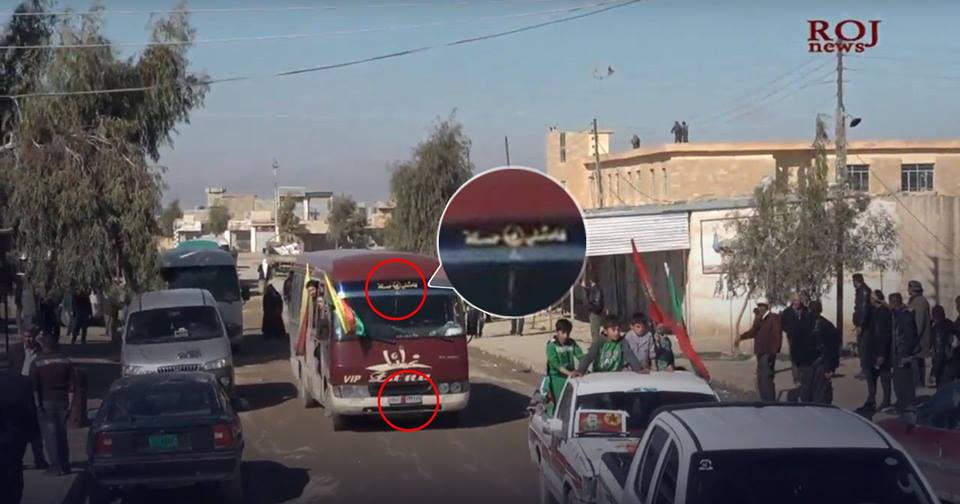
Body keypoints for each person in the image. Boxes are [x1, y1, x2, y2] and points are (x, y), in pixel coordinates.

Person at [32, 336, 74, 476]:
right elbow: (72, 387)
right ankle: (65, 464)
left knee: (50, 435)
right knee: (62, 434)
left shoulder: (38, 362)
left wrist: (38, 405)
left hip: (46, 401)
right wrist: (70, 404)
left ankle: (55, 467)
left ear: (43, 345)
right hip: (63, 401)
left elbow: (35, 388)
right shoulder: (65, 360)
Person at [7, 329, 48, 470]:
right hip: (17, 391)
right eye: (25, 337)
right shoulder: (15, 349)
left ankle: (39, 460)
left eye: (30, 337)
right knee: (16, 429)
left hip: (32, 391)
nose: (28, 340)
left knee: (35, 430)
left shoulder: (41, 351)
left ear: (35, 337)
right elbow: (9, 368)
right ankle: (16, 460)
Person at [0, 372, 41, 503]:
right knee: (14, 471)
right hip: (15, 437)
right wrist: (33, 434)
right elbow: (30, 411)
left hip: (10, 435)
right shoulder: (23, 382)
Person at [736, 300, 782, 402]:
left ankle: (770, 401)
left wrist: (774, 352)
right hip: (760, 353)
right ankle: (764, 400)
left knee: (766, 377)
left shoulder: (773, 318)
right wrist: (741, 337)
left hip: (768, 353)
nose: (761, 308)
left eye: (763, 306)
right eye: (759, 306)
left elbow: (777, 335)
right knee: (761, 377)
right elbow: (753, 332)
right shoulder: (759, 319)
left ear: (767, 307)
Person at [858, 290, 894, 414]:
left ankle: (886, 400)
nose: (870, 300)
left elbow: (884, 335)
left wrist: (882, 354)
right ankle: (871, 399)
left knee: (884, 376)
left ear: (877, 299)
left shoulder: (884, 313)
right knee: (871, 376)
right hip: (872, 349)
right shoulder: (872, 311)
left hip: (881, 349)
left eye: (872, 298)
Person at [798, 301, 839, 404]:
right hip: (820, 363)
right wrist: (831, 367)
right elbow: (833, 348)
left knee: (809, 391)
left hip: (811, 363)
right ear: (821, 310)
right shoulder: (827, 325)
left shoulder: (803, 324)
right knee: (818, 393)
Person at [574, 315, 644, 374]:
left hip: (616, 375)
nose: (616, 333)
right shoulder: (599, 342)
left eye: (618, 330)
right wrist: (580, 371)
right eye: (613, 330)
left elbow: (629, 355)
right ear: (605, 331)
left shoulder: (622, 342)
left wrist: (638, 369)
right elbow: (589, 357)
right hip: (600, 375)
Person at [545, 319, 583, 414]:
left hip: (570, 378)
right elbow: (555, 364)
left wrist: (584, 368)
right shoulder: (552, 345)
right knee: (559, 403)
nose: (566, 336)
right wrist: (569, 373)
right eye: (563, 333)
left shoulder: (571, 343)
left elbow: (580, 356)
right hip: (556, 378)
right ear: (558, 332)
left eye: (568, 333)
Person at [890, 293, 920, 414]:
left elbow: (909, 337)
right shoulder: (898, 314)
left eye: (891, 302)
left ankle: (907, 404)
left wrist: (904, 354)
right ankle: (901, 403)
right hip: (898, 351)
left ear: (895, 302)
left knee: (904, 379)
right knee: (898, 379)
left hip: (902, 352)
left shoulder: (905, 315)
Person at [907, 280, 932, 388]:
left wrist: (915, 337)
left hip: (919, 337)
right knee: (918, 359)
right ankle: (919, 382)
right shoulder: (915, 300)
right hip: (918, 336)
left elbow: (919, 321)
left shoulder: (920, 301)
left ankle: (918, 383)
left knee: (916, 359)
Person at [780, 293, 809, 386]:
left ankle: (804, 376)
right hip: (792, 338)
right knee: (794, 358)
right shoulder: (787, 312)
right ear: (792, 301)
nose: (798, 302)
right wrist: (789, 330)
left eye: (799, 300)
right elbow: (782, 324)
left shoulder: (805, 310)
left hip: (804, 338)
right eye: (795, 300)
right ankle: (796, 379)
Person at [930, 305, 959, 389]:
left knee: (943, 393)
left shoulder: (938, 329)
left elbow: (940, 352)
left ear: (933, 316)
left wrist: (934, 372)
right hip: (956, 362)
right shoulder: (952, 324)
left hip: (945, 366)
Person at [852, 273, 872, 380]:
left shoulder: (864, 291)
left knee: (864, 348)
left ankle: (866, 370)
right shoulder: (860, 291)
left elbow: (864, 309)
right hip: (860, 323)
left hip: (864, 325)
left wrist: (861, 325)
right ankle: (863, 369)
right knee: (861, 348)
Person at [584, 276, 605, 343]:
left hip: (595, 313)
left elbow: (597, 304)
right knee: (594, 332)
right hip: (594, 313)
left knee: (594, 332)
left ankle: (595, 348)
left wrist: (589, 307)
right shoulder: (594, 289)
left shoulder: (596, 290)